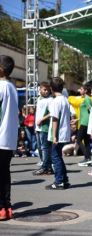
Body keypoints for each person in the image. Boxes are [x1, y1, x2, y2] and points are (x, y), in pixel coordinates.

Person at [0, 55, 19, 221]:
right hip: (9, 138)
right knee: (4, 173)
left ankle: (1, 208)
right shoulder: (12, 87)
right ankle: (7, 207)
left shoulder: (0, 86)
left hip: (0, 136)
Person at [45, 78, 71, 190]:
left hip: (58, 133)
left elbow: (55, 119)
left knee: (55, 157)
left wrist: (54, 135)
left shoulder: (56, 101)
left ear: (51, 88)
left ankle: (59, 181)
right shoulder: (65, 99)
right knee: (58, 157)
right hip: (64, 132)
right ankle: (64, 180)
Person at [33, 82, 54, 176]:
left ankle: (45, 167)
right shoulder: (39, 99)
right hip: (38, 127)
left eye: (47, 90)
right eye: (44, 89)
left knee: (45, 148)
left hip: (45, 127)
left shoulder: (50, 100)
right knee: (40, 148)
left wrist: (42, 119)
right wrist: (35, 126)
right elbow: (37, 114)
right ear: (40, 89)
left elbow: (51, 113)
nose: (46, 91)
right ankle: (47, 166)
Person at [75, 82, 92, 167]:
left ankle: (87, 157)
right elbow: (85, 112)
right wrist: (77, 119)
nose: (80, 90)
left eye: (81, 89)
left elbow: (91, 111)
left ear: (85, 90)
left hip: (85, 123)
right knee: (86, 142)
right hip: (84, 121)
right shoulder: (85, 99)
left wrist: (91, 123)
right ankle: (88, 158)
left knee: (78, 140)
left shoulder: (87, 99)